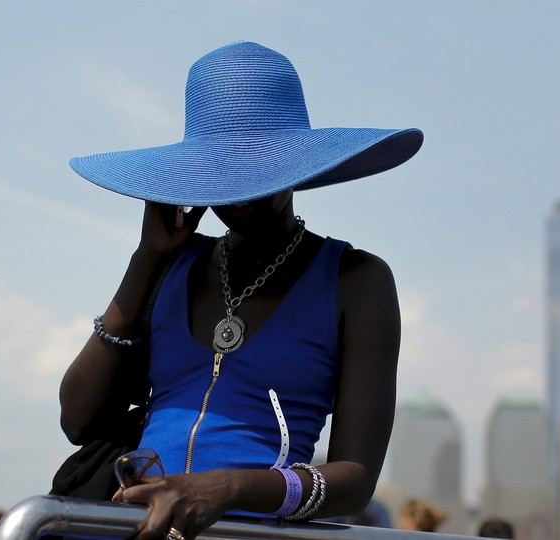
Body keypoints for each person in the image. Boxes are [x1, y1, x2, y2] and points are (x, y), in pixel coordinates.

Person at [58, 41, 422, 540]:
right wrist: (147, 259)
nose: (241, 191)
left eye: (259, 169)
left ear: (299, 165)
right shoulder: (171, 267)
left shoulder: (356, 281)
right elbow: (78, 420)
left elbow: (354, 482)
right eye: (221, 171)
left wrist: (227, 488)